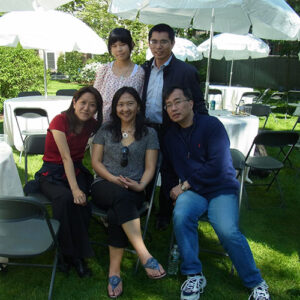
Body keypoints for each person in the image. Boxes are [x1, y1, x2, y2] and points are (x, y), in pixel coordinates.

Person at [162, 86, 271, 300]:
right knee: (182, 215)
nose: (173, 108)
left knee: (227, 230)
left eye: (177, 102)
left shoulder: (211, 125)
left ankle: (256, 282)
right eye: (168, 105)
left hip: (220, 187)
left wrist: (184, 186)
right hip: (194, 192)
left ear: (191, 103)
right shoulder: (170, 136)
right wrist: (171, 194)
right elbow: (167, 170)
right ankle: (193, 274)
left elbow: (218, 165)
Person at [91, 86, 165, 299]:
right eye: (120, 104)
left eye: (130, 103)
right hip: (104, 185)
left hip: (133, 188)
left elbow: (150, 166)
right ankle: (144, 255)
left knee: (118, 212)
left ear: (138, 106)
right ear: (114, 108)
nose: (125, 108)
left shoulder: (149, 133)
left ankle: (114, 273)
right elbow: (96, 162)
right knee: (120, 198)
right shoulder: (105, 130)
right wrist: (113, 179)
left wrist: (141, 185)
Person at [25, 86, 103, 278]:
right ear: (74, 102)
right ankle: (68, 254)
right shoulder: (59, 121)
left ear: (96, 109)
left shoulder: (92, 125)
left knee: (82, 204)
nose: (86, 108)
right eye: (83, 102)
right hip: (51, 172)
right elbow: (65, 157)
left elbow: (87, 151)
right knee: (65, 198)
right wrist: (75, 189)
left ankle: (75, 256)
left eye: (92, 105)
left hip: (75, 170)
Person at [141, 23, 207, 230]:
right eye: (154, 41)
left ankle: (165, 213)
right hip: (146, 130)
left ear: (172, 43)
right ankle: (143, 206)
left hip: (171, 129)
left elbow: (197, 103)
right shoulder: (143, 70)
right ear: (149, 43)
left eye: (163, 42)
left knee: (169, 172)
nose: (158, 46)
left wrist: (201, 130)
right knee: (145, 169)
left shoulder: (186, 71)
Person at [94, 27, 145, 122]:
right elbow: (94, 96)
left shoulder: (140, 73)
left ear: (131, 45)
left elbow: (139, 100)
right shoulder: (104, 70)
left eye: (123, 45)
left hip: (127, 125)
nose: (119, 49)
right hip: (102, 124)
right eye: (114, 46)